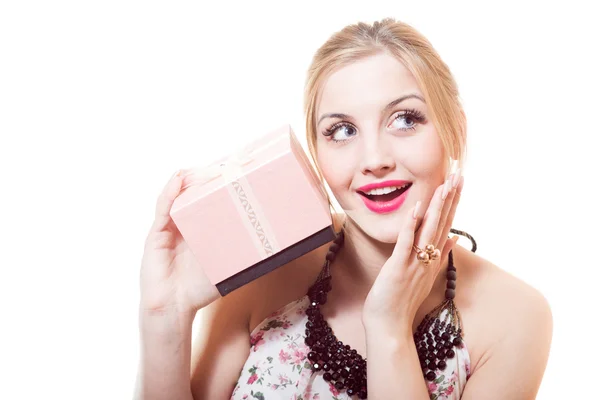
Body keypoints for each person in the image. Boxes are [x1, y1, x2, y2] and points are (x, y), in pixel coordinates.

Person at [134, 17, 553, 400]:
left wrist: (389, 326)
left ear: (454, 130)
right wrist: (164, 316)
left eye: (405, 119)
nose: (374, 159)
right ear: (315, 154)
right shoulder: (267, 267)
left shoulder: (515, 317)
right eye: (342, 130)